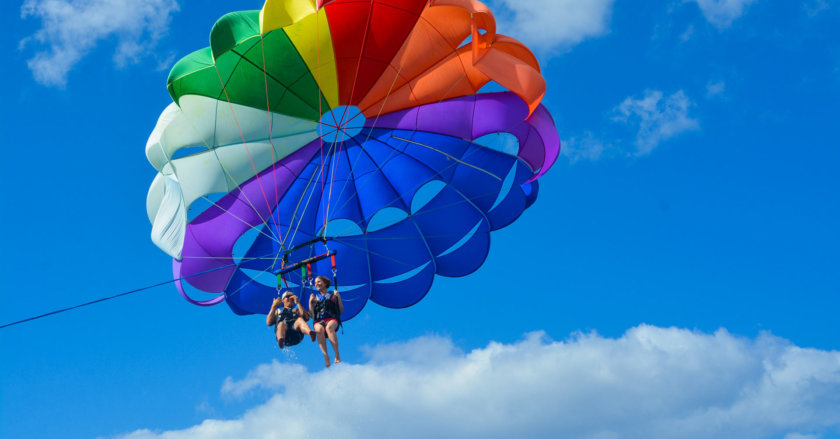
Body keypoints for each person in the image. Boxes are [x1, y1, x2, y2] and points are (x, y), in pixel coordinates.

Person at [309, 275, 343, 367]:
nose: (317, 284)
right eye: (315, 283)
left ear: (325, 283)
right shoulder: (315, 297)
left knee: (329, 328)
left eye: (319, 282)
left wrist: (338, 297)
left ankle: (337, 354)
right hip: (319, 320)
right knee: (319, 330)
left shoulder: (332, 295)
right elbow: (312, 315)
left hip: (332, 318)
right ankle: (326, 356)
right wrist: (310, 302)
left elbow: (340, 310)